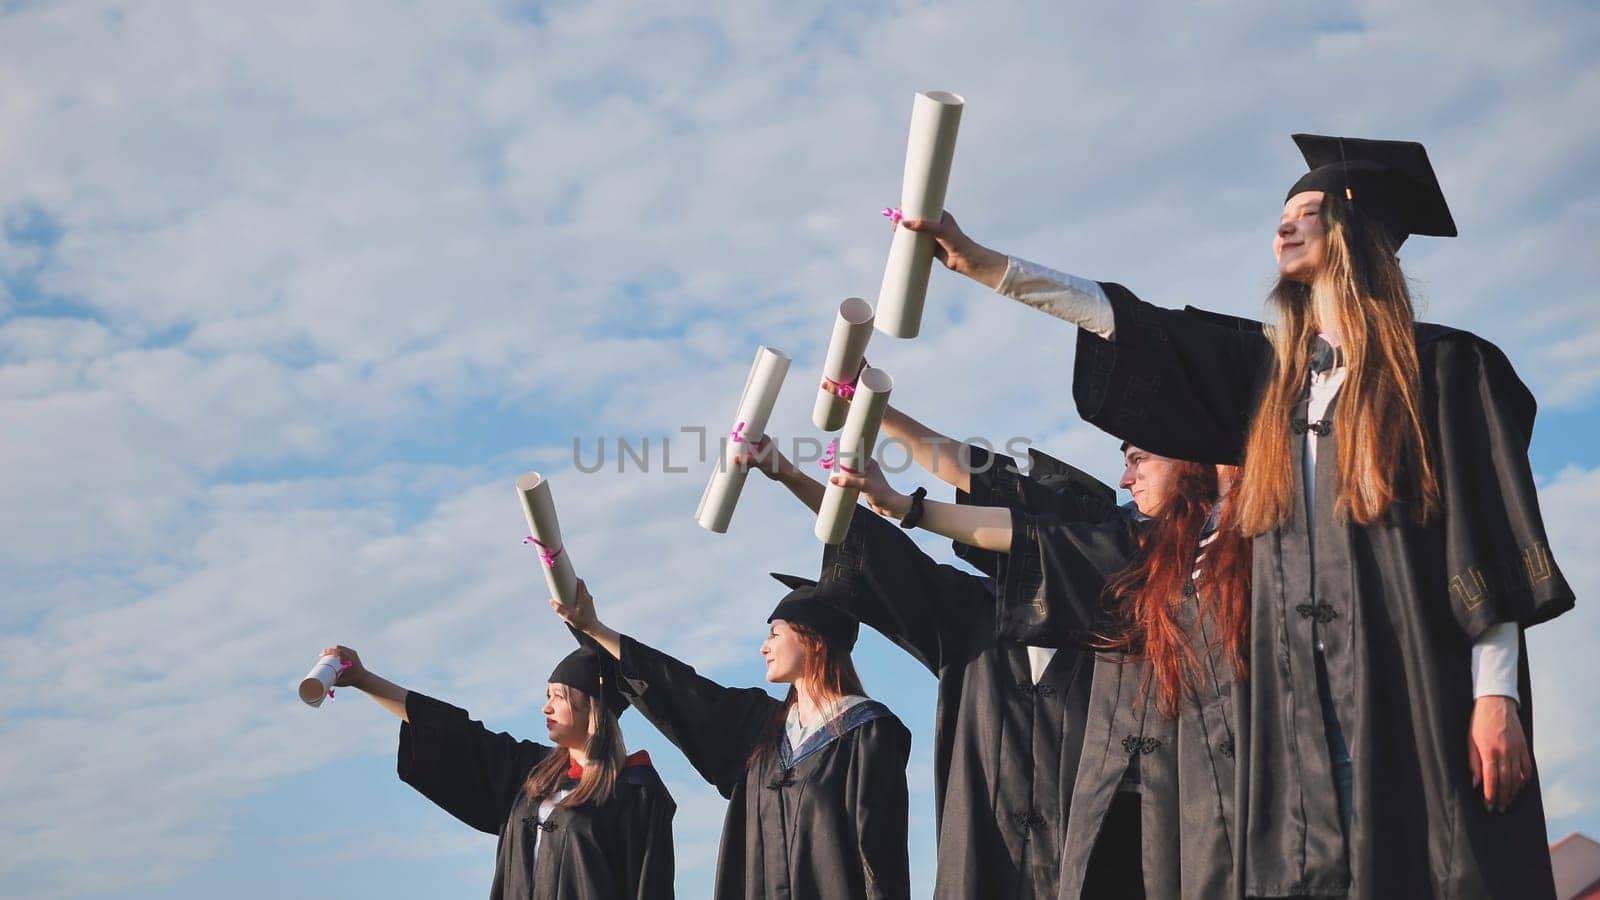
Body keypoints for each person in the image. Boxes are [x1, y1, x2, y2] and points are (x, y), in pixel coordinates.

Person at [896, 134, 1575, 897]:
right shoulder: (1277, 393)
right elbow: (1133, 325)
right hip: (1295, 719)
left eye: (1309, 213)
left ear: (1357, 231)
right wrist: (984, 264)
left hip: (1409, 683)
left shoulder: (1444, 370)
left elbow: (1481, 544)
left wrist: (1497, 695)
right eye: (1282, 215)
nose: (1284, 228)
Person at [741, 409, 1111, 899]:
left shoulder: (1121, 638)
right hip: (982, 874)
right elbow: (878, 550)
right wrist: (788, 474)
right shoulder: (969, 618)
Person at [549, 576, 912, 899]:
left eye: (775, 633)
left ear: (814, 640)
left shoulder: (866, 733)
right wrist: (595, 629)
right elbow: (681, 689)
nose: (763, 647)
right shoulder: (760, 728)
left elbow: (881, 861)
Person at [319, 643, 676, 899]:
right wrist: (364, 679)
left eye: (558, 697)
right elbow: (452, 734)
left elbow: (651, 888)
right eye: (547, 695)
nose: (545, 707)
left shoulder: (636, 791)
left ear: (592, 708)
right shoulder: (533, 774)